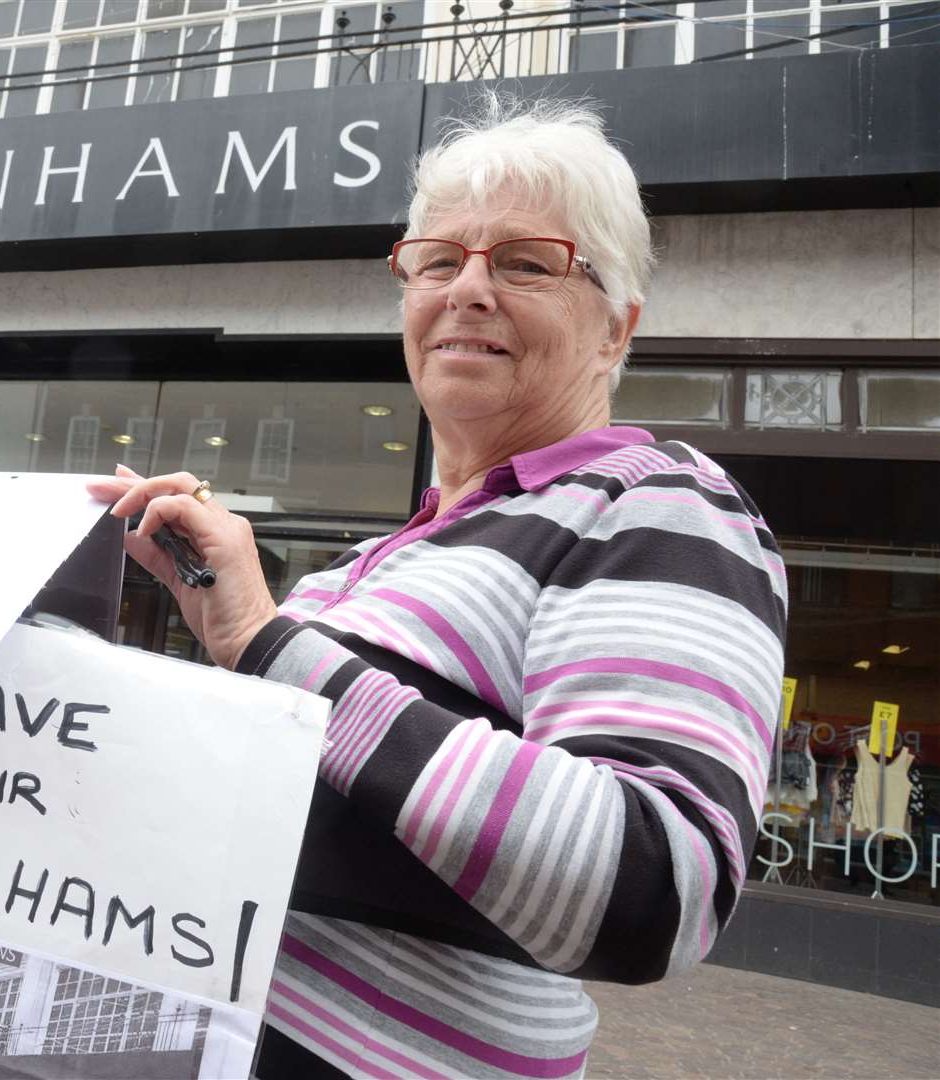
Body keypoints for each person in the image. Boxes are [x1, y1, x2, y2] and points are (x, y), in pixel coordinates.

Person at [89, 96, 788, 1079]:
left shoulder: (656, 501)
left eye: (524, 261)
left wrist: (267, 641)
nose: (466, 290)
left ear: (614, 329)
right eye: (435, 261)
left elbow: (653, 886)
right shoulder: (368, 566)